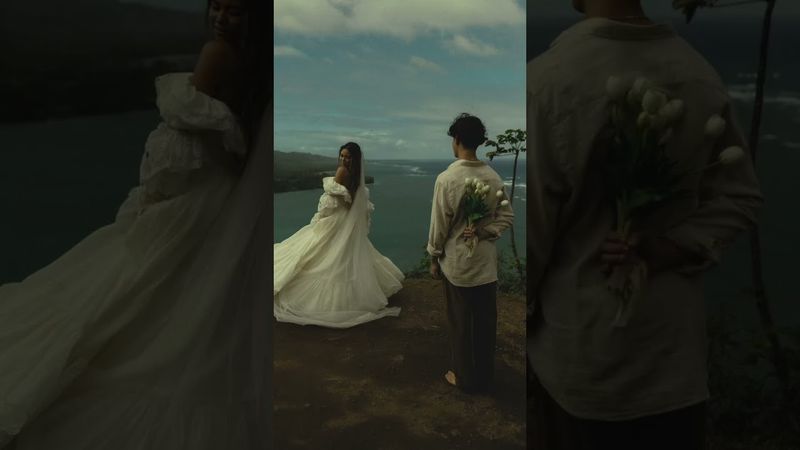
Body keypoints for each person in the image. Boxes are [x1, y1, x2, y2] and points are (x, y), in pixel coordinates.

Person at [0, 0, 271, 447]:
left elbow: (177, 146)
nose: (222, 17)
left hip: (191, 196)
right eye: (217, 6)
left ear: (255, 18)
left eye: (235, 10)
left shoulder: (216, 53)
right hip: (219, 193)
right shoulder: (256, 67)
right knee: (173, 295)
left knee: (125, 288)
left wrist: (153, 195)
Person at [526, 1, 763, 448]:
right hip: (673, 364)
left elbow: (532, 239)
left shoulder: (546, 82)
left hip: (583, 361)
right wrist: (664, 248)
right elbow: (740, 196)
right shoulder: (696, 72)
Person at [273, 142, 404, 328]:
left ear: (354, 159)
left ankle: (322, 303)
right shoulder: (357, 177)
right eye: (342, 156)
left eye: (347, 156)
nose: (343, 159)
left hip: (336, 220)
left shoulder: (342, 172)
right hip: (347, 222)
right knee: (343, 258)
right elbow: (356, 206)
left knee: (316, 253)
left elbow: (328, 203)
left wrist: (319, 219)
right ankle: (351, 299)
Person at [427, 113, 514, 393]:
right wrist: (484, 232)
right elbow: (507, 215)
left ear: (457, 139)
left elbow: (439, 226)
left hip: (458, 265)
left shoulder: (447, 179)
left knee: (460, 323)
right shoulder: (492, 177)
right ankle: (485, 377)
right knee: (485, 324)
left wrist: (433, 257)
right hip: (485, 265)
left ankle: (464, 377)